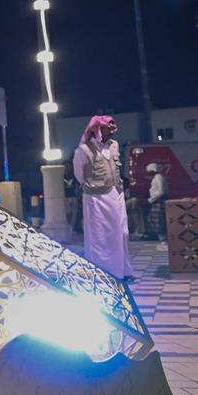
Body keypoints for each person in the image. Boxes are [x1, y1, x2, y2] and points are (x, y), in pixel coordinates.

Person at [72, 116, 135, 280]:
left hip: (116, 195)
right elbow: (79, 175)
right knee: (99, 235)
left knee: (121, 233)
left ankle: (123, 270)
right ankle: (103, 272)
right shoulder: (83, 150)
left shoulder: (114, 146)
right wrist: (93, 186)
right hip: (96, 198)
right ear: (97, 129)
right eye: (108, 128)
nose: (112, 131)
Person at [146, 162, 169, 241]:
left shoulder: (158, 177)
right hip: (156, 201)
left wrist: (150, 200)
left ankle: (162, 239)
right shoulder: (156, 177)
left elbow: (161, 191)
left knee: (159, 221)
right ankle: (159, 238)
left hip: (159, 201)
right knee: (155, 220)